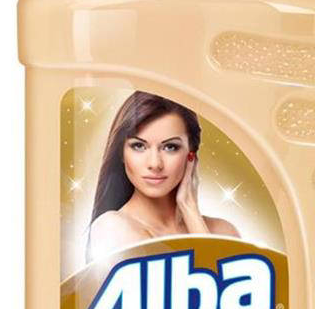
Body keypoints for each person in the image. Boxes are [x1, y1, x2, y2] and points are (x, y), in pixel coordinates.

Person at [86, 91, 240, 262]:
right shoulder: (112, 227)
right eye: (138, 146)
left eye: (170, 147)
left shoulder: (224, 231)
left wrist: (190, 211)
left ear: (191, 155)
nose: (155, 163)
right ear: (121, 153)